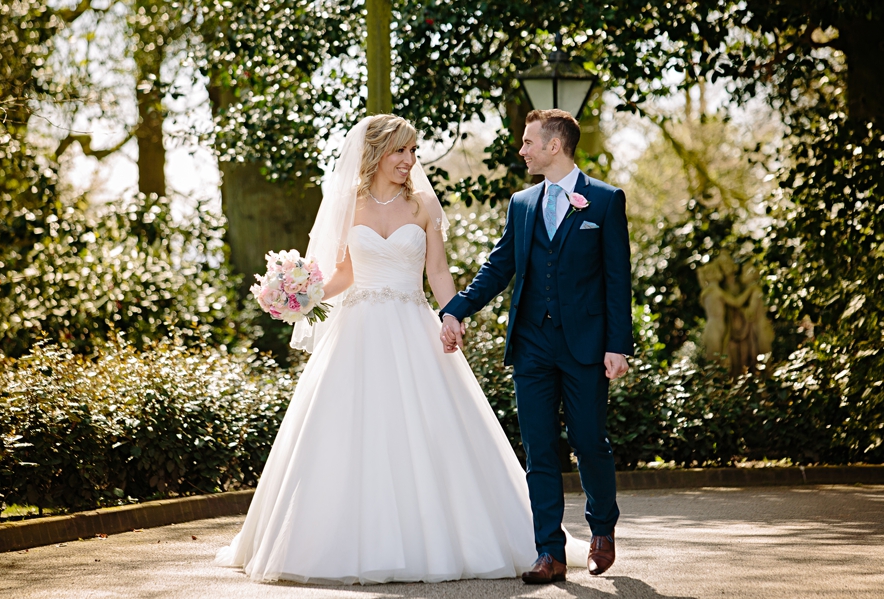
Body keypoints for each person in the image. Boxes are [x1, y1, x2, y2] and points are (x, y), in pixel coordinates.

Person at [215, 114, 588, 585]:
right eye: (401, 152)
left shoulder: (423, 204)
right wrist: (301, 297)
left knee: (433, 430)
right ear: (376, 153)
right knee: (349, 435)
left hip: (414, 325)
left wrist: (454, 313)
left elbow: (437, 273)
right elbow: (343, 276)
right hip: (358, 331)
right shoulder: (346, 204)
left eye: (413, 152)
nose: (410, 160)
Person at [441, 108, 634, 582]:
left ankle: (602, 532)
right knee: (540, 450)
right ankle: (549, 552)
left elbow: (616, 279)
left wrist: (618, 345)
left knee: (590, 442)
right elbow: (499, 265)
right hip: (531, 345)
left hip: (586, 345)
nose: (522, 149)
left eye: (529, 142)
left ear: (554, 146)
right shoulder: (522, 203)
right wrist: (457, 308)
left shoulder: (605, 201)